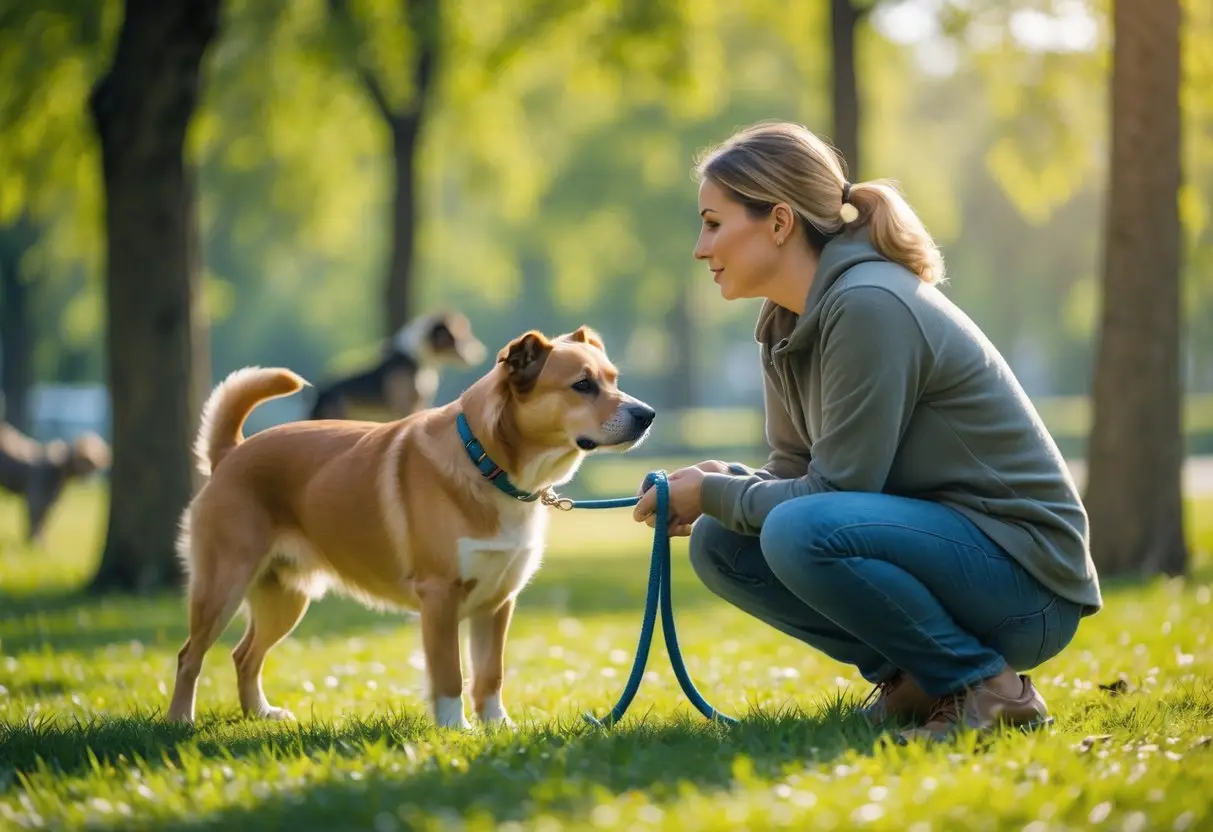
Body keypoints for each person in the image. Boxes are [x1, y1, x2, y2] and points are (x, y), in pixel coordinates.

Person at [631, 121, 1102, 742]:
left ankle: (987, 688)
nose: (699, 246)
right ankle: (917, 680)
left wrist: (717, 492)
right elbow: (797, 473)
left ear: (778, 221)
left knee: (798, 528)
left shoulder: (869, 303)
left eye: (714, 223)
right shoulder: (783, 324)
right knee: (720, 542)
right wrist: (722, 487)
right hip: (951, 559)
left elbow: (834, 491)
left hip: (1028, 585)